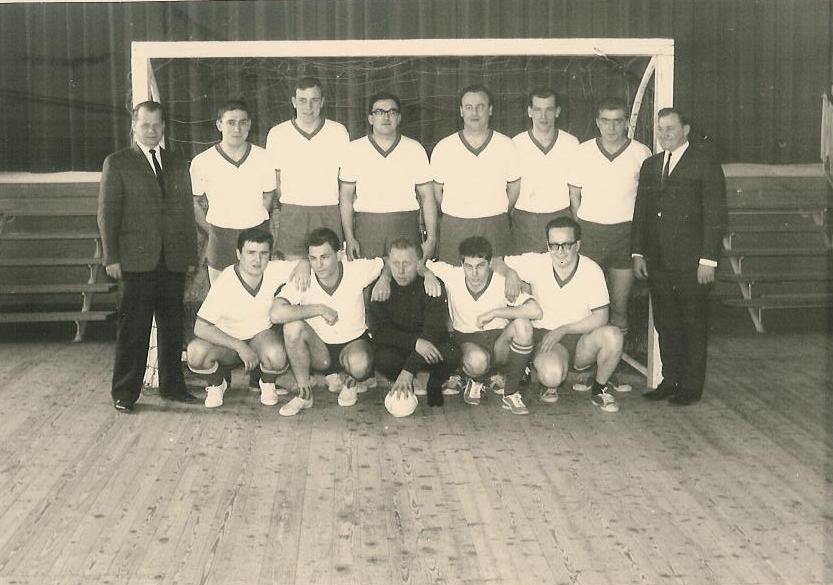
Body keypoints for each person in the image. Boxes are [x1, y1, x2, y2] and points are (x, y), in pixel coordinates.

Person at [98, 100, 198, 413]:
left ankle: (173, 387)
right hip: (135, 261)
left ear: (164, 126)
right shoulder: (118, 162)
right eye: (145, 125)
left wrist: (190, 255)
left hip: (172, 259)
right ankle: (125, 393)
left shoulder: (177, 162)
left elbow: (185, 213)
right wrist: (111, 258)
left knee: (172, 327)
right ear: (134, 126)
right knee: (134, 329)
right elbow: (107, 215)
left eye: (157, 125)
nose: (152, 131)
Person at [632, 107, 727, 406]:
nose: (664, 134)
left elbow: (715, 215)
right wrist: (638, 252)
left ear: (685, 129)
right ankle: (670, 380)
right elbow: (642, 212)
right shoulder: (651, 165)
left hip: (692, 265)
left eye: (670, 128)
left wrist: (708, 260)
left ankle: (690, 386)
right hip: (658, 262)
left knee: (692, 325)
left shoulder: (704, 163)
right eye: (660, 129)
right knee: (666, 324)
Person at [501, 216, 625, 413]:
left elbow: (601, 317)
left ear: (578, 245)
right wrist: (511, 274)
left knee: (614, 335)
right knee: (552, 375)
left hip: (581, 339)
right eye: (554, 245)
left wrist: (564, 329)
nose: (560, 252)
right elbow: (496, 261)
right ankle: (544, 376)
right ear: (547, 245)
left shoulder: (591, 269)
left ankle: (599, 389)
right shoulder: (537, 262)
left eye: (566, 245)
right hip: (548, 339)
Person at [186, 229, 308, 409]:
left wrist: (304, 263)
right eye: (251, 253)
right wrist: (239, 346)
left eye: (263, 253)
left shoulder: (273, 269)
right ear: (238, 254)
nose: (257, 260)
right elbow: (201, 327)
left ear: (269, 255)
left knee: (277, 355)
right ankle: (217, 384)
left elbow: (303, 262)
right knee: (195, 353)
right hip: (229, 344)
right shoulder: (226, 280)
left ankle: (267, 383)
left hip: (260, 339)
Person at [269, 228, 383, 416]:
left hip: (353, 343)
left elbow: (385, 262)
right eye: (313, 259)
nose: (319, 265)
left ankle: (351, 379)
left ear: (338, 255)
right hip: (320, 351)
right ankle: (305, 394)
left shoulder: (357, 269)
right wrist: (319, 309)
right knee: (292, 327)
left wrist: (385, 278)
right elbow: (275, 314)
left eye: (324, 257)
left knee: (360, 363)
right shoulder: (304, 277)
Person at [426, 236, 542, 415]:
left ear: (490, 264)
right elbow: (418, 263)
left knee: (523, 325)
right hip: (467, 341)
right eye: (468, 266)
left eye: (480, 266)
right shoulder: (452, 275)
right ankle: (476, 379)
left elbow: (536, 311)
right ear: (461, 264)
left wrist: (495, 313)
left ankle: (510, 392)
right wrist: (428, 275)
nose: (474, 273)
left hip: (499, 343)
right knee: (477, 361)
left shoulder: (502, 280)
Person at [568, 97, 652, 337]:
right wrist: (581, 228)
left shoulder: (641, 152)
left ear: (626, 123)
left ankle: (615, 357)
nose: (611, 127)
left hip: (625, 235)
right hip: (590, 234)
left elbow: (646, 202)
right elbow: (574, 196)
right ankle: (584, 355)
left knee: (619, 307)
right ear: (597, 122)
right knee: (585, 305)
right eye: (605, 121)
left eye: (617, 121)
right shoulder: (582, 151)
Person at [339, 92, 437, 261]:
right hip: (367, 228)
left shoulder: (415, 149)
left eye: (392, 112)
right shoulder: (354, 149)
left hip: (405, 226)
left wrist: (431, 239)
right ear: (370, 118)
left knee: (405, 275)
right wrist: (349, 237)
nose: (386, 117)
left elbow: (427, 197)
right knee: (367, 275)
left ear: (399, 118)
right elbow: (345, 198)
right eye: (379, 112)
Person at [431, 85, 521, 264]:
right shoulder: (444, 147)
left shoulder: (506, 145)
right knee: (453, 276)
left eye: (480, 106)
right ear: (461, 111)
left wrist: (494, 209)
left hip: (494, 226)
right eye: (469, 107)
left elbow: (514, 188)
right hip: (456, 226)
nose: (474, 112)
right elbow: (437, 192)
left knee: (497, 275)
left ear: (490, 110)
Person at [368, 238, 459, 411]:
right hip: (402, 348)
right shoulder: (380, 288)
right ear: (388, 263)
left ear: (418, 264)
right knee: (382, 358)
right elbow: (380, 332)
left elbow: (434, 330)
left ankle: (431, 381)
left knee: (452, 353)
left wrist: (408, 370)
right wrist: (414, 343)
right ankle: (410, 380)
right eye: (396, 263)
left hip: (428, 347)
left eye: (407, 264)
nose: (401, 270)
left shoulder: (432, 284)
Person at [190, 100, 276, 284]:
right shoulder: (203, 161)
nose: (237, 129)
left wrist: (254, 218)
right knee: (221, 293)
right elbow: (193, 201)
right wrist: (210, 229)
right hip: (220, 237)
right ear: (219, 125)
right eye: (230, 122)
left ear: (249, 124)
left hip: (256, 233)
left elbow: (268, 195)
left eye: (243, 122)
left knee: (258, 292)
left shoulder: (264, 157)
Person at [265, 77, 350, 259]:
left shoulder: (338, 132)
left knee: (328, 266)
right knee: (293, 268)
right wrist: (291, 202)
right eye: (302, 100)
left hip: (328, 211)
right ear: (294, 102)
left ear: (322, 101)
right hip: (293, 213)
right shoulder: (277, 134)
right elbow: (276, 179)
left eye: (314, 100)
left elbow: (345, 181)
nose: (308, 107)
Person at [511, 88, 579, 254]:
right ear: (529, 112)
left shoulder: (571, 143)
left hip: (561, 218)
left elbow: (574, 193)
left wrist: (577, 224)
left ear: (557, 112)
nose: (543, 116)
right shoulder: (515, 144)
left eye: (549, 109)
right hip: (525, 222)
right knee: (526, 268)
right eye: (537, 110)